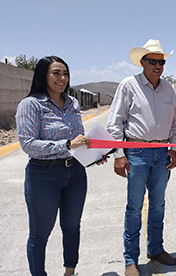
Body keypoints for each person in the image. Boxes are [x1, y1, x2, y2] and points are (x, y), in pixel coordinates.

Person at [16, 56, 96, 276]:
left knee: (72, 227)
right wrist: (67, 144)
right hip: (44, 174)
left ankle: (70, 272)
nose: (62, 78)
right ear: (43, 75)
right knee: (40, 234)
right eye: (56, 73)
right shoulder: (30, 105)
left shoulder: (73, 102)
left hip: (76, 173)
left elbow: (77, 138)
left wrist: (93, 153)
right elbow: (28, 144)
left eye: (66, 74)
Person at [106, 39, 176, 276]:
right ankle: (131, 260)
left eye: (161, 62)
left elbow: (175, 125)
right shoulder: (129, 85)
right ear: (142, 62)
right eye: (153, 61)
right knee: (135, 208)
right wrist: (119, 154)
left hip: (161, 154)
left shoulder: (168, 89)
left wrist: (174, 149)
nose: (158, 66)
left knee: (158, 205)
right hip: (136, 153)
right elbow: (115, 122)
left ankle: (156, 249)